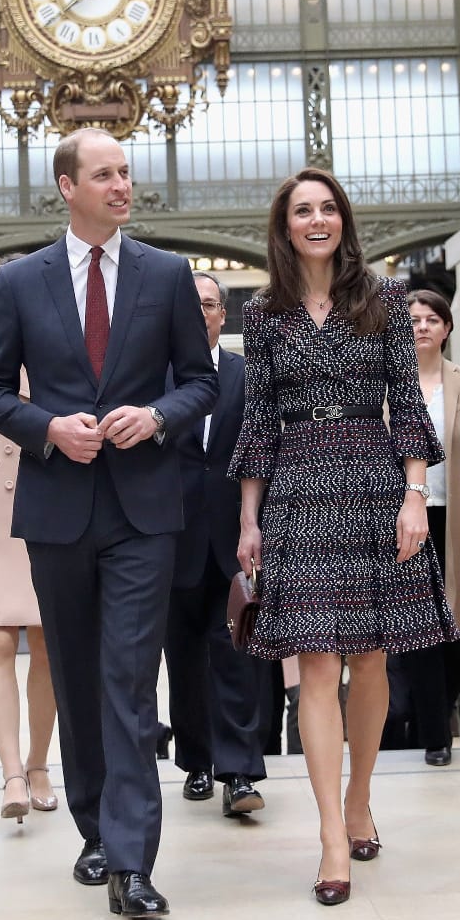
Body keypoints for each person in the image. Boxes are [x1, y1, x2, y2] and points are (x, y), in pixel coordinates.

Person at [0, 127, 218, 920]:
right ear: (66, 186)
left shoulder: (169, 273)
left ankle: (133, 864)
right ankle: (93, 825)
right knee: (76, 676)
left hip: (145, 509)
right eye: (104, 174)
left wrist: (155, 416)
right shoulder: (18, 280)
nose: (122, 185)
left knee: (128, 679)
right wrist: (48, 429)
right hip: (57, 507)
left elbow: (200, 382)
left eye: (127, 172)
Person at [229, 167, 460, 907]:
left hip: (373, 482)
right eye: (304, 209)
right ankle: (333, 833)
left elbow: (406, 402)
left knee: (370, 656)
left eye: (328, 207)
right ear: (285, 225)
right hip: (297, 487)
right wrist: (247, 519)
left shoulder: (386, 300)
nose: (318, 219)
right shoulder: (263, 312)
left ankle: (360, 795)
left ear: (343, 220)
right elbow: (259, 420)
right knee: (318, 668)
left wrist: (415, 495)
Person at [164, 271, 269, 816]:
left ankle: (240, 773)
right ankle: (198, 762)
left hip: (233, 537)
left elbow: (259, 457)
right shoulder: (155, 379)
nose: (201, 311)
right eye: (191, 303)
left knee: (236, 653)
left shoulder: (247, 376)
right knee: (182, 658)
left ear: (223, 315)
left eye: (209, 304)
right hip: (171, 540)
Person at [0, 254, 59, 826]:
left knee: (48, 643)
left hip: (49, 505)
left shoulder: (60, 358)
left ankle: (41, 763)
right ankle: (12, 774)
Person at [388, 289, 460, 765]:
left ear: (446, 328)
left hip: (455, 517)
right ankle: (435, 736)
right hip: (404, 518)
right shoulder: (388, 386)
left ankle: (447, 706)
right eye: (413, 319)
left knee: (457, 623)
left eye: (431, 319)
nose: (421, 326)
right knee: (419, 626)